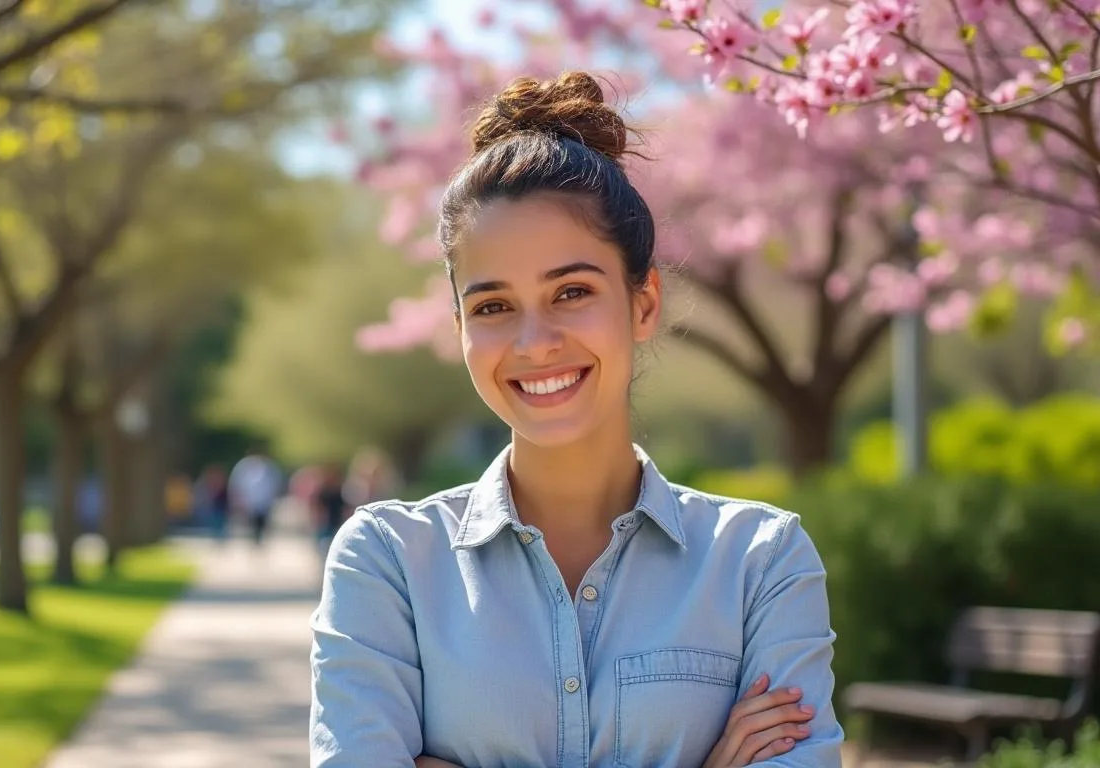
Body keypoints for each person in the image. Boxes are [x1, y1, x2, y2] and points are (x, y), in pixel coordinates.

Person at [310, 72, 842, 767]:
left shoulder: (761, 563)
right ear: (461, 327)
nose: (535, 343)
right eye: (494, 306)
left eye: (572, 291)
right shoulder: (385, 564)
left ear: (643, 303)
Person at [227, 447, 284, 548]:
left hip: (264, 503)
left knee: (262, 523)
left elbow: (276, 484)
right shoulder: (243, 466)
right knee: (252, 524)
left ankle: (259, 540)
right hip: (249, 502)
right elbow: (237, 483)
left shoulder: (269, 467)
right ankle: (255, 541)